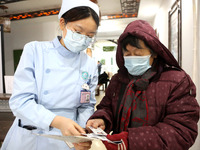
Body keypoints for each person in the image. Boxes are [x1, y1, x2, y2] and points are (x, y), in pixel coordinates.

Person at [1, 0, 100, 150]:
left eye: (89, 35)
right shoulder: (35, 51)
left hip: (67, 137)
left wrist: (81, 134)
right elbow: (20, 101)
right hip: (31, 135)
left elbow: (86, 105)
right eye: (78, 32)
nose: (83, 38)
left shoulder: (90, 64)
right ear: (62, 23)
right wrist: (57, 121)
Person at [86, 20, 200, 150]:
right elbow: (107, 107)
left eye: (138, 53)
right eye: (127, 54)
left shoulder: (176, 81)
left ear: (155, 52)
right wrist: (102, 119)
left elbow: (182, 131)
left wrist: (130, 141)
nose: (132, 58)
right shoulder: (118, 80)